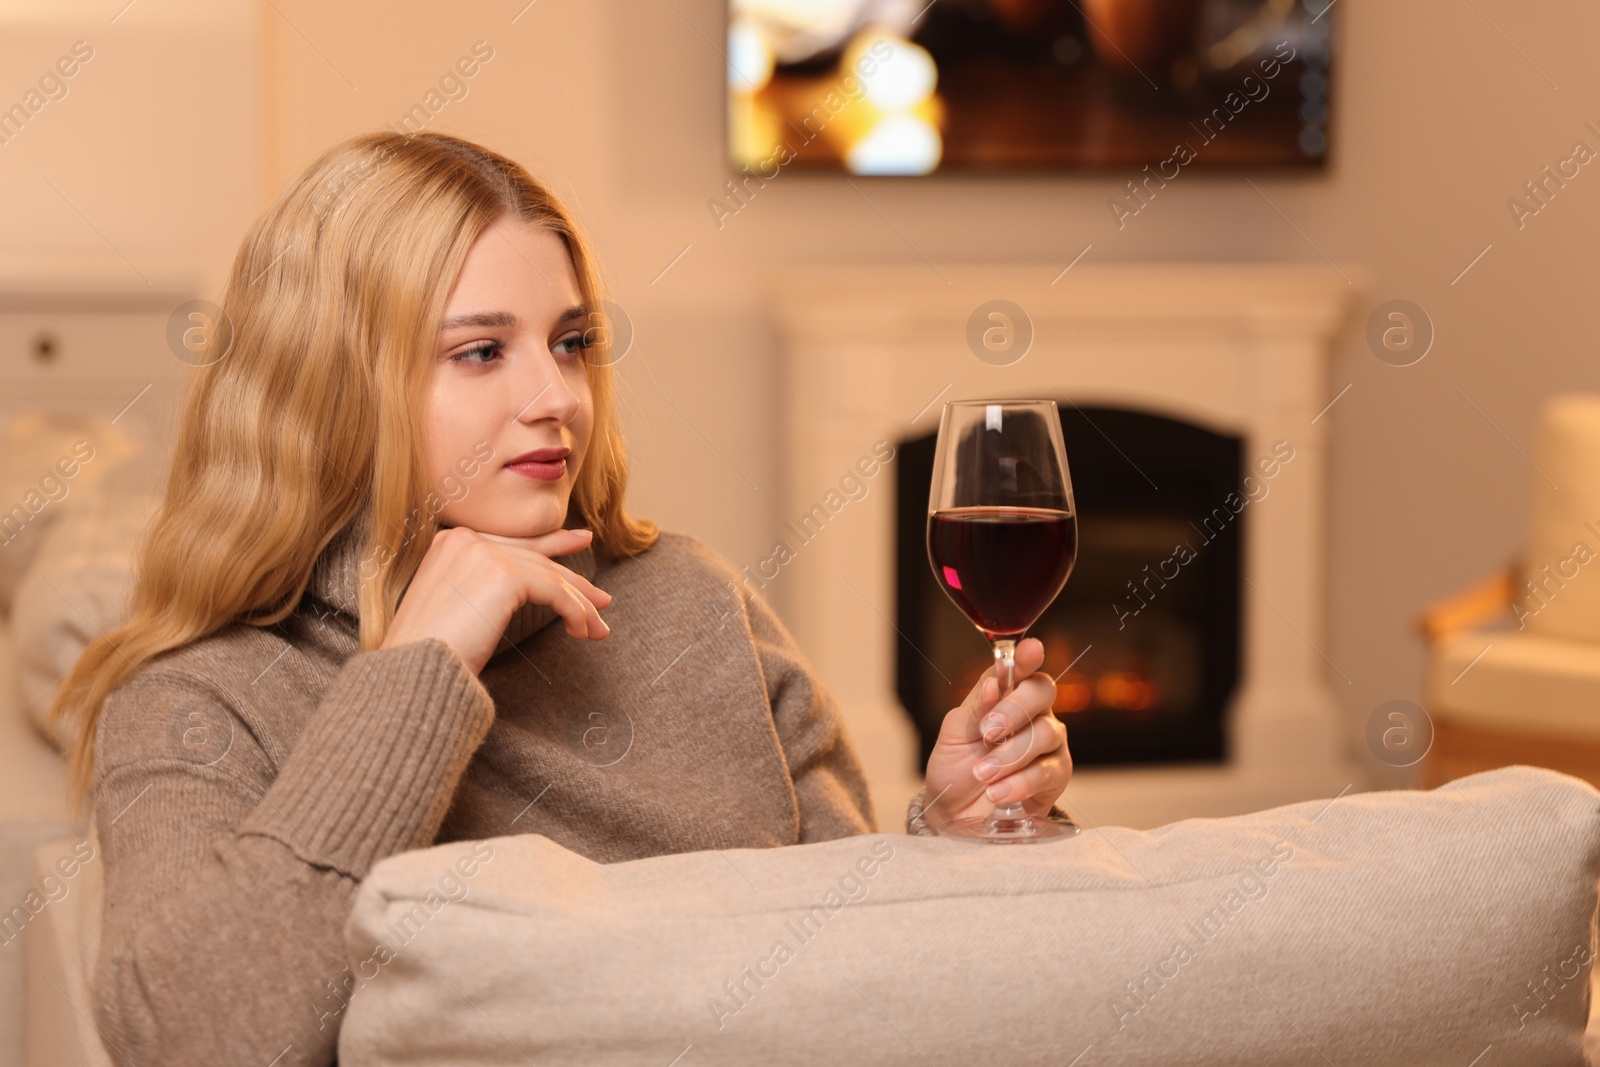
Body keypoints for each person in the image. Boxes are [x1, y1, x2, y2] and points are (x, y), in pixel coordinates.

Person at [48, 130, 1073, 1066]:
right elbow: (189, 1034)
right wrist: (417, 673)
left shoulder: (692, 601)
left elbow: (850, 974)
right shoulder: (200, 698)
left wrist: (948, 840)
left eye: (571, 341)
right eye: (481, 350)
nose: (555, 397)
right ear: (334, 391)